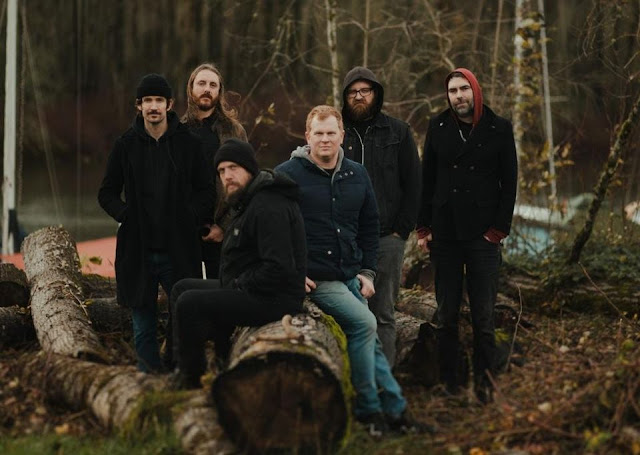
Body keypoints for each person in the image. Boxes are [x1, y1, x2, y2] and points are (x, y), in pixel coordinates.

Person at [276, 105, 431, 437]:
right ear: (307, 136)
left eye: (331, 133)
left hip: (349, 275)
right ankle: (368, 411)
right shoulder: (287, 175)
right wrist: (291, 271)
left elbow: (369, 225)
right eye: (319, 133)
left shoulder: (357, 174)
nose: (325, 139)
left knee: (370, 342)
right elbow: (271, 228)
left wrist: (367, 271)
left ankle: (396, 412)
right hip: (318, 278)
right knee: (365, 324)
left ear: (342, 136)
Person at [98, 73, 214, 373]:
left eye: (158, 100)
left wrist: (189, 217)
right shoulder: (125, 145)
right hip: (139, 249)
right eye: (147, 101)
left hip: (179, 248)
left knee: (184, 315)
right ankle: (148, 378)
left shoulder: (188, 144)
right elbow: (106, 193)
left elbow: (206, 191)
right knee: (143, 322)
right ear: (139, 106)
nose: (153, 106)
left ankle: (182, 374)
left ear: (169, 104)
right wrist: (125, 214)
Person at [170, 139, 307, 388]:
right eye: (221, 171)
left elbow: (279, 268)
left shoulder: (269, 205)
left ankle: (190, 379)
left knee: (190, 302)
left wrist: (239, 284)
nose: (227, 176)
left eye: (233, 168)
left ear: (249, 169)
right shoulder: (249, 200)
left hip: (275, 299)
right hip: (254, 289)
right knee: (182, 288)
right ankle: (180, 363)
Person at [416, 68, 518, 403]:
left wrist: (498, 230)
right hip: (445, 233)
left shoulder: (499, 128)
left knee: (483, 317)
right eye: (452, 91)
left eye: (464, 89)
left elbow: (510, 182)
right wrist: (423, 227)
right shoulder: (438, 126)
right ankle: (452, 383)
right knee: (446, 315)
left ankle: (485, 385)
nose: (458, 96)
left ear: (475, 90)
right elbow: (427, 179)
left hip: (482, 234)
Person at [341, 66, 421, 365]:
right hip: (346, 238)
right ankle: (353, 376)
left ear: (376, 93)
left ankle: (382, 379)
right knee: (347, 310)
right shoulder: (338, 133)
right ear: (345, 97)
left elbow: (415, 184)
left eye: (365, 90)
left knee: (383, 313)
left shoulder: (398, 132)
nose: (359, 96)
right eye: (352, 92)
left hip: (387, 238)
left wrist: (402, 231)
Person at [181, 63, 248, 279]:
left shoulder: (234, 131)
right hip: (185, 231)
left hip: (223, 231)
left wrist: (224, 226)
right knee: (184, 292)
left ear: (219, 91)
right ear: (191, 88)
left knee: (221, 293)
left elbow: (247, 183)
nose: (207, 89)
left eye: (213, 85)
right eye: (201, 83)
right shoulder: (177, 131)